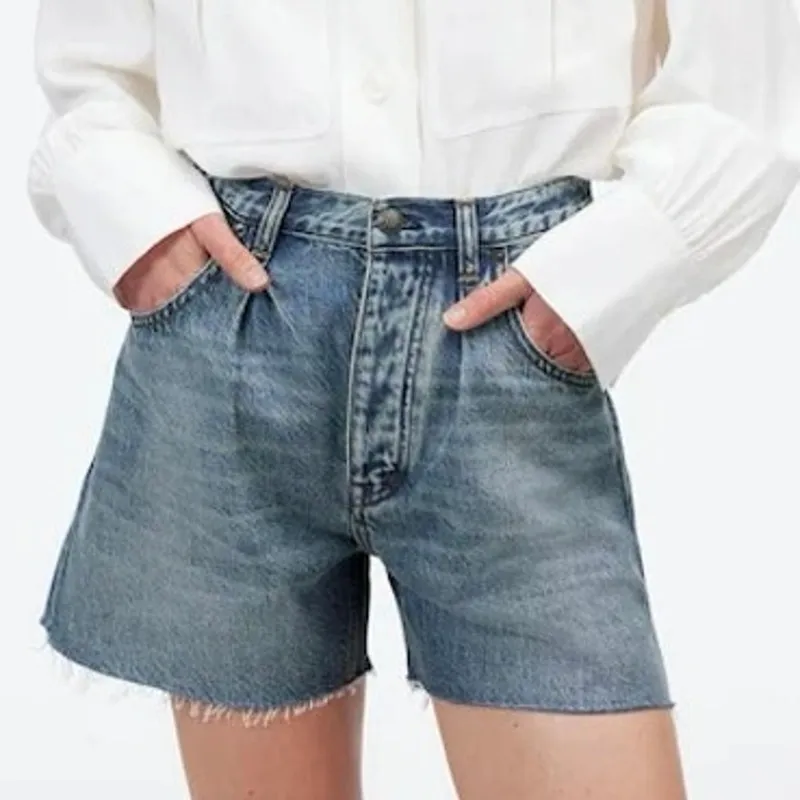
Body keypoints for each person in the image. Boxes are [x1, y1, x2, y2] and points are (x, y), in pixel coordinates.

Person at [28, 1, 800, 798]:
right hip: (236, 318)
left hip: (505, 343)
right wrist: (135, 218)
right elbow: (92, 61)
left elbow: (742, 87)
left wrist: (618, 267)